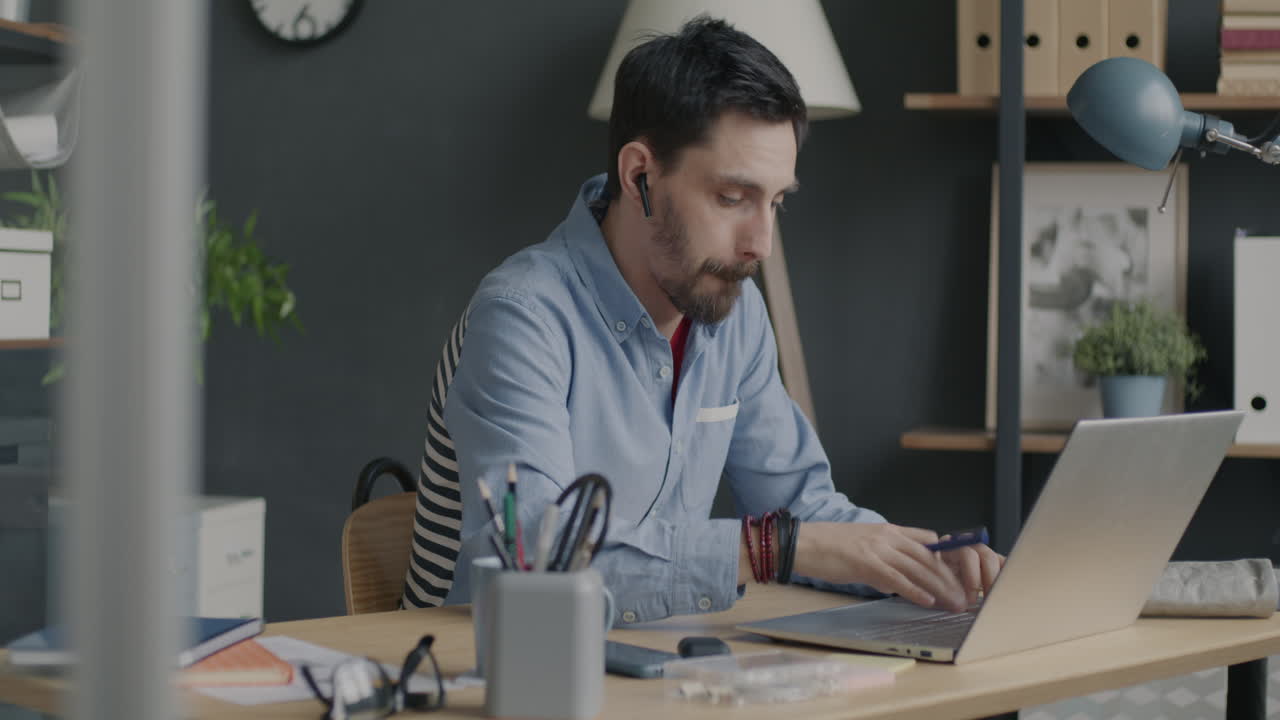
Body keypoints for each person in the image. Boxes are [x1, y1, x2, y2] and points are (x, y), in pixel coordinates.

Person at [402, 16, 1002, 623]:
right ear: (640, 175)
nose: (760, 244)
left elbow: (800, 508)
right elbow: (536, 566)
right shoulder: (521, 317)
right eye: (732, 198)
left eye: (776, 202)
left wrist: (922, 561)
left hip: (652, 652)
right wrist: (770, 549)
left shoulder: (734, 313)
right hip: (476, 661)